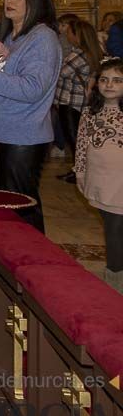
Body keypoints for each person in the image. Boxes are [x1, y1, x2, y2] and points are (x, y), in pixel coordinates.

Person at [0, 0, 62, 232]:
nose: (10, 0)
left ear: (37, 2)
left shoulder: (42, 38)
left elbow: (31, 88)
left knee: (19, 209)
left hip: (20, 136)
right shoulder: (9, 37)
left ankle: (27, 265)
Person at [74, 58, 123, 292]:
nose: (109, 85)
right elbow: (82, 145)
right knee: (110, 224)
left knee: (114, 229)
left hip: (120, 181)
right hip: (100, 178)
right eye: (104, 80)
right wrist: (81, 172)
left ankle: (114, 279)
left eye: (117, 80)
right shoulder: (90, 112)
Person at [55, 19, 102, 182]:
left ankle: (78, 171)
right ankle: (79, 169)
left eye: (69, 32)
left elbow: (61, 73)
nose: (66, 35)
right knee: (79, 138)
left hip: (70, 102)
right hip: (81, 101)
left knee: (74, 139)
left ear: (77, 35)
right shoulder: (93, 51)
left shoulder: (78, 53)